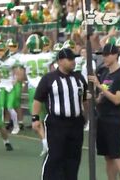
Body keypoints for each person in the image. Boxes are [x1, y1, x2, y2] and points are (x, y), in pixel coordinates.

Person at [32, 48, 87, 180]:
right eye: (69, 59)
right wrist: (35, 118)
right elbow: (38, 99)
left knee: (74, 157)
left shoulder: (79, 78)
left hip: (76, 123)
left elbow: (85, 99)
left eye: (74, 59)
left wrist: (85, 117)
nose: (73, 62)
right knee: (55, 156)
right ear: (60, 61)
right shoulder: (49, 78)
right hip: (57, 122)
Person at [89, 43, 120, 180]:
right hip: (102, 118)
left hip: (114, 120)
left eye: (107, 55)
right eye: (103, 55)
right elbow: (102, 96)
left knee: (115, 155)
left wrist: (99, 86)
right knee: (107, 156)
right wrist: (95, 97)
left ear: (115, 55)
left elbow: (117, 99)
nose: (104, 57)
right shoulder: (105, 72)